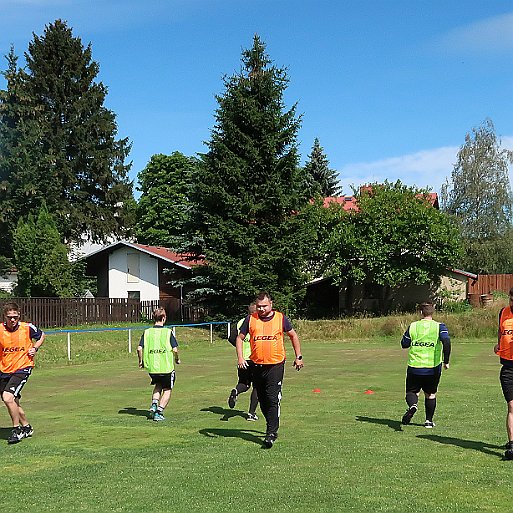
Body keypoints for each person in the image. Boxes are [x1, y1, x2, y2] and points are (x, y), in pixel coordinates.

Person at [236, 291, 303, 448]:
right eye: (259, 306)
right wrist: (240, 357)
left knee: (272, 398)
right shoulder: (250, 319)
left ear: (271, 304)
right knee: (263, 400)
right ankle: (270, 424)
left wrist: (298, 356)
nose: (261, 309)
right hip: (256, 365)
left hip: (275, 365)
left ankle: (271, 433)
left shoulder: (281, 318)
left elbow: (293, 336)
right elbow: (239, 338)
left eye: (264, 306)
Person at [0, 302, 45, 444]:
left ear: (18, 315)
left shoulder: (27, 327)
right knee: (13, 401)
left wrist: (35, 348)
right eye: (9, 317)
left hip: (23, 367)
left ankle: (16, 430)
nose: (12, 320)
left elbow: (41, 335)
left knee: (8, 398)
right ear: (4, 317)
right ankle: (26, 427)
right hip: (5, 369)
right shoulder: (0, 330)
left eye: (15, 317)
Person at [400, 301, 450, 428]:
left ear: (420, 312)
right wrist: (446, 361)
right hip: (432, 368)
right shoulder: (440, 326)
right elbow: (446, 342)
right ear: (433, 312)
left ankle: (413, 406)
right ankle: (428, 421)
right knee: (430, 394)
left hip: (415, 366)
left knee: (412, 392)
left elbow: (404, 344)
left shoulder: (413, 326)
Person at [137, 307, 180, 422]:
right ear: (164, 318)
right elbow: (175, 350)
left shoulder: (147, 332)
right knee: (167, 389)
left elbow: (139, 348)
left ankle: (154, 404)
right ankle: (159, 412)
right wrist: (177, 359)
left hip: (152, 368)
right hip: (166, 367)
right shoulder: (168, 332)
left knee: (158, 386)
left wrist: (141, 361)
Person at [227, 303, 259, 421]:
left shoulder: (241, 322)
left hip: (243, 359)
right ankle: (251, 413)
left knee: (244, 384)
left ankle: (235, 391)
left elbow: (231, 338)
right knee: (257, 387)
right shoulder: (259, 322)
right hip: (256, 359)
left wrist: (240, 348)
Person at [494, 288, 513, 459]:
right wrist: (498, 343)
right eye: (512, 299)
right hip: (507, 367)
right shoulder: (503, 313)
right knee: (512, 406)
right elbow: (501, 331)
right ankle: (512, 445)